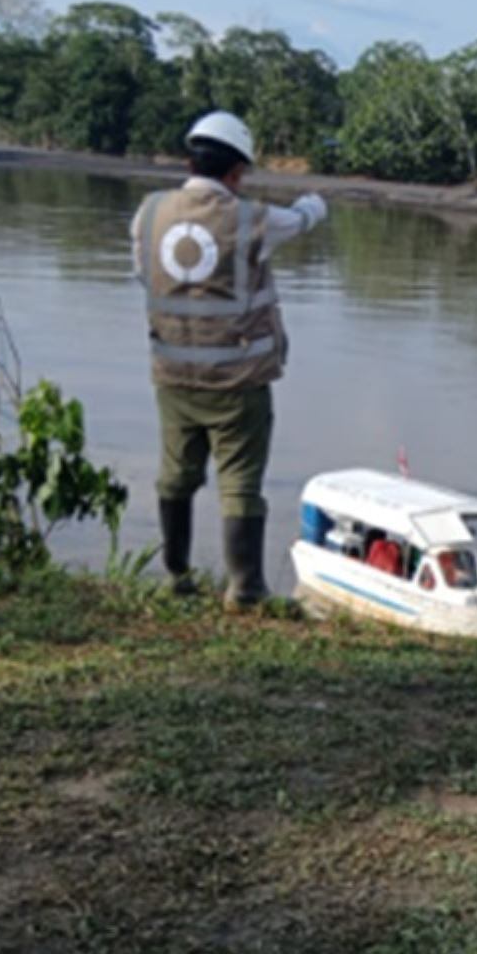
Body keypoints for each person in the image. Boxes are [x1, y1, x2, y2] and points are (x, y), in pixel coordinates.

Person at [131, 111, 330, 607]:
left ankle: (177, 576)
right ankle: (246, 589)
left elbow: (144, 275)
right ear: (237, 172)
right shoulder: (251, 219)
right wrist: (316, 202)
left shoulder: (149, 213)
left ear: (188, 160)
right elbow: (302, 220)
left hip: (173, 375)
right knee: (240, 482)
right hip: (238, 381)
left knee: (175, 475)